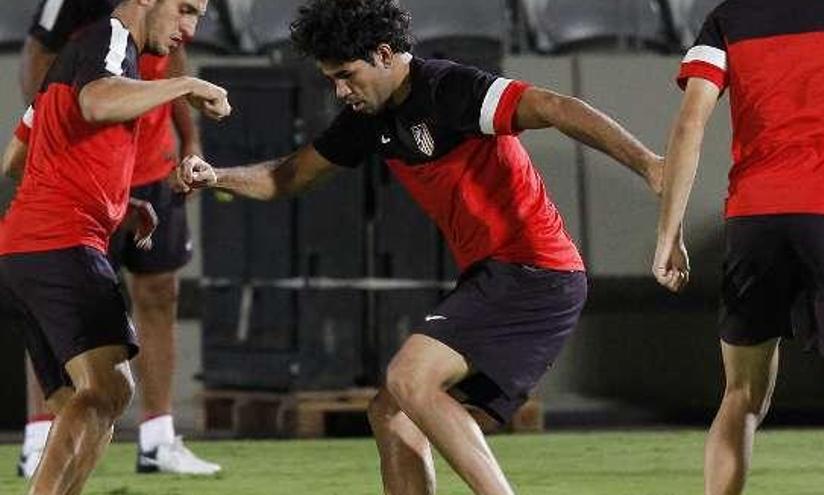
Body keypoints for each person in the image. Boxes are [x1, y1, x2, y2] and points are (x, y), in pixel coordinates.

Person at [179, 1, 662, 493]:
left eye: (346, 75)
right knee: (391, 411)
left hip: (533, 272)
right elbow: (288, 177)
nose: (340, 90)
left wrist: (648, 165)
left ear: (385, 54)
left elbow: (559, 107)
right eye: (331, 79)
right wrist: (215, 176)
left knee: (410, 379)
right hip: (496, 277)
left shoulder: (449, 88)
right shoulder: (367, 117)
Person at [0, 0, 230, 492]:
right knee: (110, 387)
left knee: (84, 408)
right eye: (185, 9)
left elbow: (17, 159)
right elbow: (98, 102)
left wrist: (119, 208)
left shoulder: (76, 57)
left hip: (26, 248)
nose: (189, 29)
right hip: (61, 244)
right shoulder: (110, 40)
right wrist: (186, 86)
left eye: (199, 17)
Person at [653, 0, 824, 494]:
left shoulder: (731, 16)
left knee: (740, 396)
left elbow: (690, 123)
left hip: (755, 219)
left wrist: (668, 234)